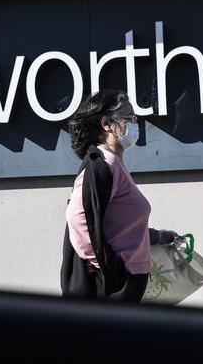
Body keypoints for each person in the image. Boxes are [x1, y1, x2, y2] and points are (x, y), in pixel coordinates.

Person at [60, 90, 179, 303]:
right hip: (111, 290)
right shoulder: (102, 164)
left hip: (127, 286)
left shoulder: (115, 164)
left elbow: (118, 225)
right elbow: (78, 219)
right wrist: (113, 270)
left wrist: (155, 237)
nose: (135, 123)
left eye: (135, 118)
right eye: (129, 118)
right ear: (107, 124)